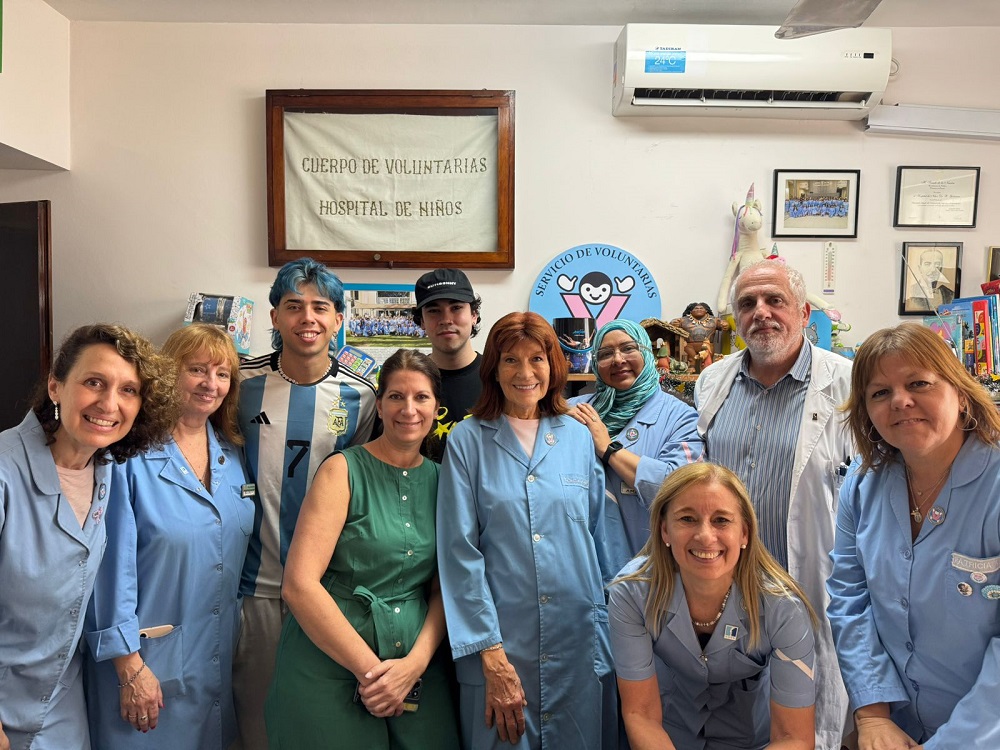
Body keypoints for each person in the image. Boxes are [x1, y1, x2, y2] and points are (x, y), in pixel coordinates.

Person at [436, 311, 617, 750]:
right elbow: (459, 553)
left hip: (579, 641)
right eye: (510, 360)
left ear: (553, 365)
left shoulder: (576, 437)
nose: (525, 372)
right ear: (493, 370)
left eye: (537, 358)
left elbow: (600, 540)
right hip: (500, 646)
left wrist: (615, 628)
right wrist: (491, 655)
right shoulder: (468, 439)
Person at [694, 259, 853, 750]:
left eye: (774, 300)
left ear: (804, 312)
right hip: (729, 593)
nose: (761, 312)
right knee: (734, 726)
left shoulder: (847, 385)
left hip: (809, 589)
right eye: (747, 304)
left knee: (805, 730)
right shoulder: (711, 383)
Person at [265, 349, 459, 749]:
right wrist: (374, 674)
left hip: (416, 665)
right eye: (395, 397)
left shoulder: (445, 481)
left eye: (421, 397)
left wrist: (413, 666)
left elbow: (445, 589)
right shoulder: (342, 470)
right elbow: (299, 585)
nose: (409, 409)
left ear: (437, 408)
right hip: (329, 661)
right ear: (380, 404)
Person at [0, 323, 177, 750]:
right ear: (56, 387)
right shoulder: (5, 473)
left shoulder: (105, 471)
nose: (109, 403)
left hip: (59, 703)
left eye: (129, 390)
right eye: (94, 382)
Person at [827, 323, 1000, 749]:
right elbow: (850, 602)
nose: (901, 401)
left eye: (919, 383)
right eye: (880, 393)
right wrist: (872, 715)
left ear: (960, 392)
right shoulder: (861, 484)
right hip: (893, 728)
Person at [85, 324, 253, 748]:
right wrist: (129, 667)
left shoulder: (232, 454)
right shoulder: (127, 455)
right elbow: (107, 572)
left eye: (222, 374)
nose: (210, 384)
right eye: (197, 369)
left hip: (213, 658)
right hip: (142, 667)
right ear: (167, 373)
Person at [234, 257, 378, 750]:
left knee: (320, 724)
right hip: (251, 587)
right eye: (294, 306)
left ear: (340, 319)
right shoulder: (239, 382)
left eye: (321, 307)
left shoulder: (363, 395)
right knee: (257, 724)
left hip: (327, 593)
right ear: (274, 317)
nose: (307, 317)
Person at [610, 463, 817, 750]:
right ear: (665, 531)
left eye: (721, 520)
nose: (706, 536)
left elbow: (793, 738)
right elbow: (640, 714)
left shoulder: (784, 609)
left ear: (744, 533)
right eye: (687, 519)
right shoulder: (631, 594)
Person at [569, 318, 704, 572]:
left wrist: (608, 449)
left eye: (629, 348)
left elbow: (683, 491)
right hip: (581, 572)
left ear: (647, 353)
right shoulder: (574, 410)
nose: (618, 359)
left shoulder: (681, 418)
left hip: (650, 572)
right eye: (606, 353)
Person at [411, 268, 482, 462]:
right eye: (434, 311)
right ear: (421, 321)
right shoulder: (407, 381)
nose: (446, 320)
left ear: (474, 315)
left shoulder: (498, 377)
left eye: (456, 307)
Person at [671, 303, 729, 369]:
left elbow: (722, 323)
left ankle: (707, 370)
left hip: (707, 345)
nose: (699, 310)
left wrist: (725, 324)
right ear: (691, 311)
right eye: (696, 308)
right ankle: (691, 368)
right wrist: (673, 323)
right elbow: (673, 323)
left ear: (706, 310)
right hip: (689, 346)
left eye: (701, 308)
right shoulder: (683, 320)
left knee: (707, 361)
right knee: (691, 359)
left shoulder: (714, 320)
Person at [904, 248, 955, 313]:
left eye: (937, 264)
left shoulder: (950, 294)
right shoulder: (910, 292)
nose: (933, 269)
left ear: (941, 268)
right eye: (927, 264)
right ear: (920, 268)